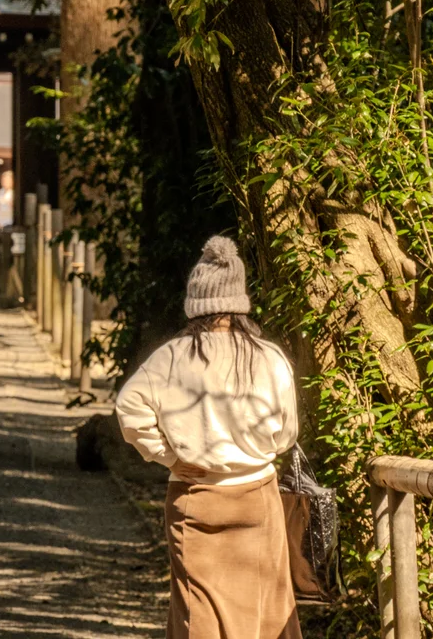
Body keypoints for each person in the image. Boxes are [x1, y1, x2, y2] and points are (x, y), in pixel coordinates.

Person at [115, 235, 301, 639]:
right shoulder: (268, 357)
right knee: (266, 610)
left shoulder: (172, 356)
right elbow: (287, 434)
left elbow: (128, 409)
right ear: (238, 300)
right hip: (258, 498)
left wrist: (165, 454)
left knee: (198, 613)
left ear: (195, 298)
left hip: (195, 497)